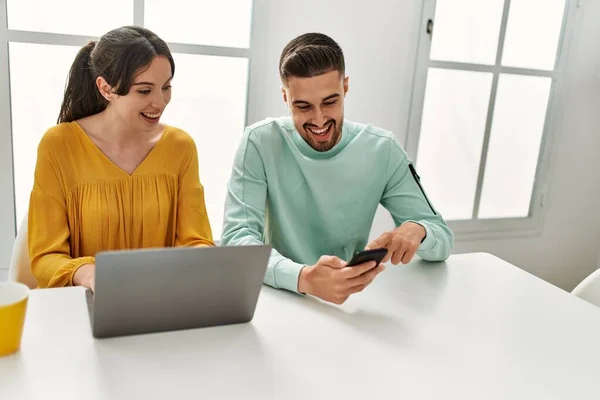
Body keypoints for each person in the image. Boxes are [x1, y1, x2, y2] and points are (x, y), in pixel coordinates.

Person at [221, 32, 453, 305]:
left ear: (345, 87)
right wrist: (304, 278)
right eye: (303, 106)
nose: (319, 120)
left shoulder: (383, 150)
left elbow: (442, 238)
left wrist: (417, 230)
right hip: (279, 298)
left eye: (330, 102)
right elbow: (237, 240)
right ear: (285, 97)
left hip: (349, 301)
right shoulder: (259, 142)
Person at [28, 26, 214, 291]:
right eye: (144, 91)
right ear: (105, 88)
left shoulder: (180, 147)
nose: (160, 102)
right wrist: (89, 274)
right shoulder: (58, 145)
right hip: (82, 308)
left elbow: (198, 241)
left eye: (166, 87)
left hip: (159, 302)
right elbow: (45, 256)